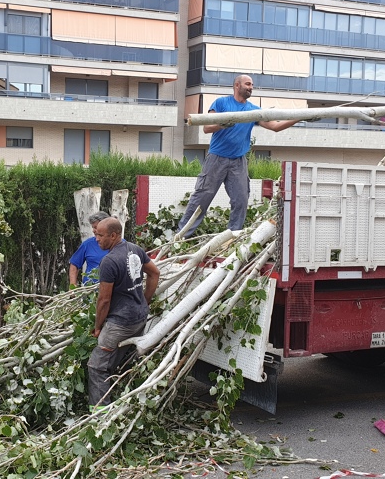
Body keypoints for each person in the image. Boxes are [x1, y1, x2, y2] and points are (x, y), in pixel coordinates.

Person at [177, 74, 302, 238]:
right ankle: (181, 237)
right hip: (216, 159)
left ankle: (232, 237)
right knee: (202, 198)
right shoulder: (221, 103)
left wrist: (299, 118)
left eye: (252, 85)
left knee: (241, 200)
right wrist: (223, 124)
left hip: (238, 161)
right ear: (237, 85)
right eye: (248, 84)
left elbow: (275, 127)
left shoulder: (254, 111)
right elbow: (207, 127)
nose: (251, 87)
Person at [88, 217, 160, 409]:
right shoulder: (135, 249)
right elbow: (154, 273)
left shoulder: (109, 261)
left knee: (97, 366)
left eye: (100, 235)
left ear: (113, 235)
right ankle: (124, 402)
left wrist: (97, 327)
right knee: (122, 360)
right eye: (96, 234)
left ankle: (100, 413)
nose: (96, 239)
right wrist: (144, 301)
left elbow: (104, 300)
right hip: (139, 318)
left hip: (120, 323)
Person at [69, 211, 111, 286]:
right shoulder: (87, 244)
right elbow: (74, 264)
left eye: (96, 227)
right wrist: (73, 286)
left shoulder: (120, 244)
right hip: (90, 289)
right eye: (93, 227)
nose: (93, 230)